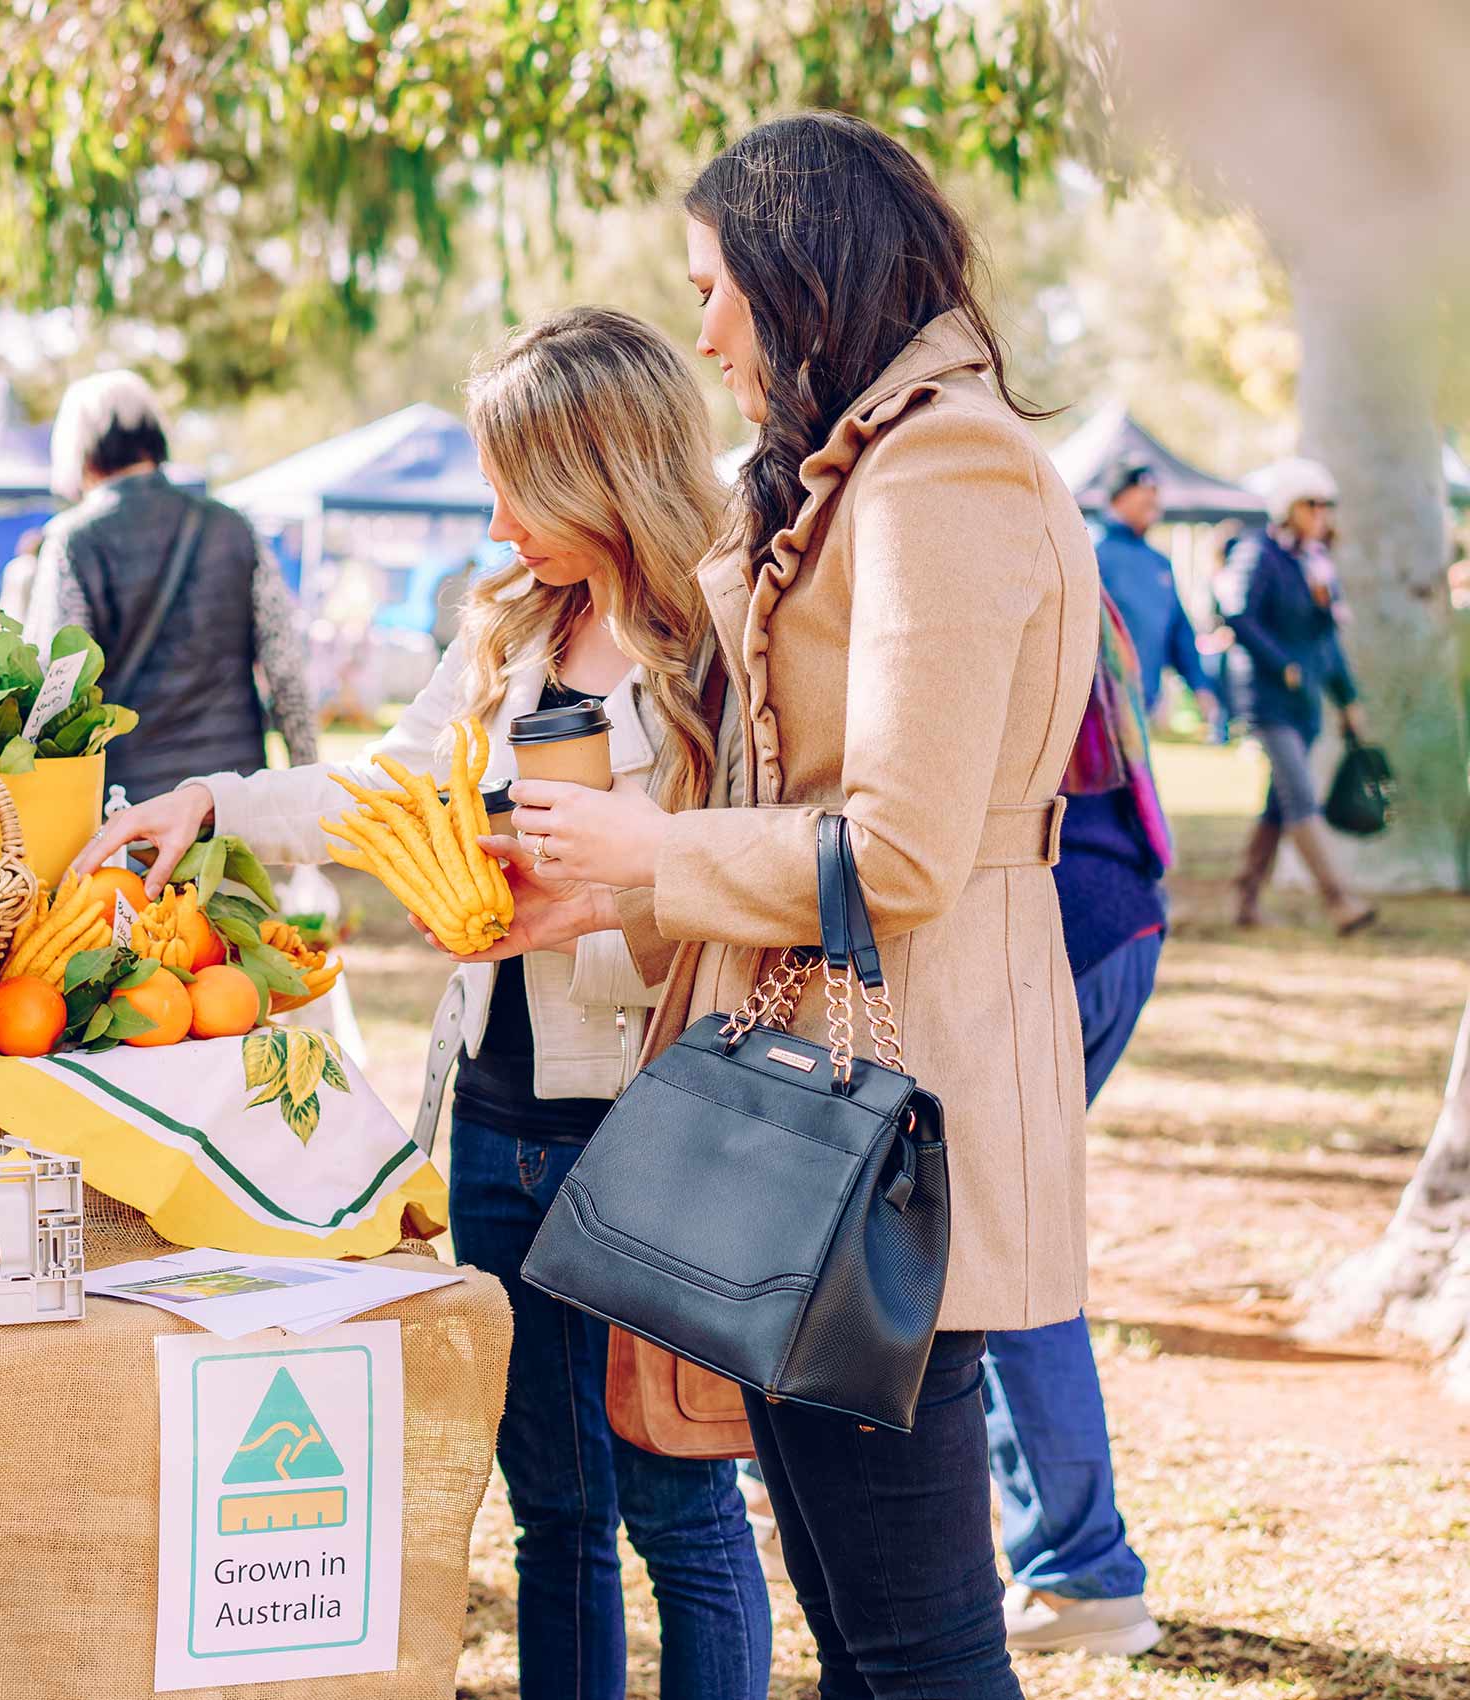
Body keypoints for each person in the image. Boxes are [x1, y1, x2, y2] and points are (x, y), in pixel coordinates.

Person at [471, 113, 1100, 1698]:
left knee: (916, 1643)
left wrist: (641, 858)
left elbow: (897, 850)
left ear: (794, 274)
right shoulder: (866, 465)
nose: (700, 333)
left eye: (713, 289)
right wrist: (615, 900)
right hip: (828, 1103)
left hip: (884, 1110)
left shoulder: (939, 465)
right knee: (866, 1624)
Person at [74, 310, 770, 1700]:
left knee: (677, 1509)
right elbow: (388, 791)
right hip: (499, 1118)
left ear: (597, 468)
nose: (499, 517)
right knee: (556, 1511)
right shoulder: (511, 627)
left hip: (655, 1119)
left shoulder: (722, 646)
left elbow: (755, 889)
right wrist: (218, 798)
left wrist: (606, 906)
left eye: (518, 483)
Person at [982, 595, 1169, 1658]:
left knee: (998, 1259)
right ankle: (1061, 1562)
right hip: (1116, 912)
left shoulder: (954, 519)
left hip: (1055, 930)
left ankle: (1078, 1569)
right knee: (989, 1246)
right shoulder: (1057, 539)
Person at [23, 371, 317, 801]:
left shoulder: (73, 541)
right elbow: (286, 667)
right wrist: (307, 784)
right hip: (235, 803)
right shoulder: (233, 527)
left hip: (129, 812)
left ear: (80, 453)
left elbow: (53, 688)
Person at [1217, 458, 1374, 933]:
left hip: (1307, 703)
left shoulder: (1317, 563)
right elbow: (1239, 615)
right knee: (1301, 794)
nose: (1322, 513)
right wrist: (1280, 663)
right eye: (1312, 503)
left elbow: (1326, 642)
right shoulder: (1258, 553)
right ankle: (1339, 899)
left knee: (1278, 804)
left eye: (1327, 505)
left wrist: (1347, 699)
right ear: (1288, 506)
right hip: (1267, 700)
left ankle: (1243, 898)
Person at [1094, 465, 1223, 729]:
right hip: (1095, 704)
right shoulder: (1093, 552)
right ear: (1120, 498)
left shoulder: (1159, 563)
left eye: (1155, 497)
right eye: (1145, 497)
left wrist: (1200, 686)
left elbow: (1179, 631)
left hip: (1143, 701)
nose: (1154, 503)